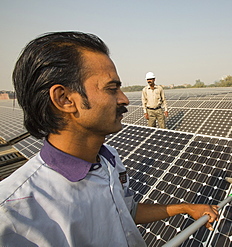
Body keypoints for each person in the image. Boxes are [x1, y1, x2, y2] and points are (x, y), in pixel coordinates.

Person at [0, 31, 218, 247]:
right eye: (112, 89)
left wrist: (185, 208)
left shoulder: (108, 159)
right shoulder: (14, 214)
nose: (124, 99)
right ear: (65, 99)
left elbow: (124, 210)